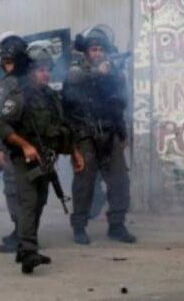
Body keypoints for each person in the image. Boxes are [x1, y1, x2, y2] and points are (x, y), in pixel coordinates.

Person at [0, 44, 84, 274]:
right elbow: (2, 126)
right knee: (29, 202)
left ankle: (26, 248)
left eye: (48, 70)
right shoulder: (18, 96)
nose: (46, 74)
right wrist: (25, 145)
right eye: (41, 70)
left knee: (39, 202)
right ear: (30, 72)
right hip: (24, 159)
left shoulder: (50, 97)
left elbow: (62, 126)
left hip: (46, 158)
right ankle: (28, 251)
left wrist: (73, 151)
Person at [63, 26, 135, 244]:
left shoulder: (111, 72)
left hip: (109, 133)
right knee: (84, 182)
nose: (97, 53)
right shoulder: (77, 70)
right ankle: (79, 226)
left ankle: (117, 224)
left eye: (101, 50)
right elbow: (73, 80)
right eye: (93, 50)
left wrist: (122, 132)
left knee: (119, 180)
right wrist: (98, 73)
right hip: (85, 135)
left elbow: (119, 103)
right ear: (86, 52)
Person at [0, 32, 30, 253]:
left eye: (9, 62)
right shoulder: (32, 79)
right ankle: (24, 231)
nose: (6, 67)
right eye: (5, 62)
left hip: (16, 144)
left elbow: (2, 120)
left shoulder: (8, 84)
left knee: (15, 190)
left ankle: (22, 234)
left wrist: (0, 147)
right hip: (27, 143)